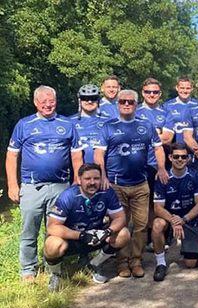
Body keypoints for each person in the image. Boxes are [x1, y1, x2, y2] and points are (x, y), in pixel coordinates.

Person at [6, 85, 83, 281]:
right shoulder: (24, 124)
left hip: (60, 186)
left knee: (55, 229)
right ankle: (28, 270)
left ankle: (53, 268)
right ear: (35, 103)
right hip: (32, 186)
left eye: (51, 101)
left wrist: (77, 181)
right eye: (43, 102)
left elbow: (76, 157)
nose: (48, 105)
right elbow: (12, 157)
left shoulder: (67, 124)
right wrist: (13, 185)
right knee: (29, 230)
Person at [94, 89, 169, 278]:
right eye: (123, 102)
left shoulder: (146, 125)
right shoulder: (108, 126)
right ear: (117, 104)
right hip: (117, 185)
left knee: (141, 226)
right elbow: (98, 154)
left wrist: (161, 168)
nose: (126, 104)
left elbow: (158, 148)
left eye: (130, 102)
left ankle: (136, 260)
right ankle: (122, 263)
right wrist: (102, 175)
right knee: (121, 225)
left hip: (140, 184)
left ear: (136, 104)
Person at [44, 163, 131, 291]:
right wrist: (81, 235)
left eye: (96, 178)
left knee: (124, 234)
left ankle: (94, 264)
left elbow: (120, 217)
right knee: (52, 243)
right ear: (79, 180)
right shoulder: (68, 196)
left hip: (96, 236)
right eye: (87, 179)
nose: (92, 182)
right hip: (73, 238)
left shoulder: (106, 191)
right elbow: (52, 227)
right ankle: (56, 274)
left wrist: (108, 231)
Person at [151, 143, 198, 281]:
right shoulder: (162, 177)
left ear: (188, 159)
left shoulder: (196, 175)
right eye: (176, 156)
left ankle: (188, 247)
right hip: (169, 218)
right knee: (157, 224)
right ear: (170, 157)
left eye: (183, 157)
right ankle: (161, 263)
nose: (180, 159)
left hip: (189, 219)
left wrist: (184, 219)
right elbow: (158, 208)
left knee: (191, 264)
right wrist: (174, 221)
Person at [70, 84, 107, 164]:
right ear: (80, 100)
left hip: (102, 171)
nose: (89, 101)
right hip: (79, 171)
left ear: (98, 100)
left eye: (93, 98)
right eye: (85, 98)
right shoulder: (69, 122)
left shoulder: (108, 122)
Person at [161, 76, 198, 144]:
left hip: (194, 148)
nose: (184, 91)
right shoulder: (167, 106)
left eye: (188, 88)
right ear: (177, 88)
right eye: (182, 88)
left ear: (192, 89)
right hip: (174, 150)